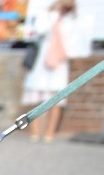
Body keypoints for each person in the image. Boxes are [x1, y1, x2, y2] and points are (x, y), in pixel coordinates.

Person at [22, 0, 86, 143]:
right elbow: (40, 30)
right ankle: (35, 133)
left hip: (60, 62)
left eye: (67, 7)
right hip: (41, 61)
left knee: (57, 99)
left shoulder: (72, 21)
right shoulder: (46, 15)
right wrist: (54, 15)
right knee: (36, 98)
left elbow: (73, 42)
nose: (64, 9)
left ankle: (49, 133)